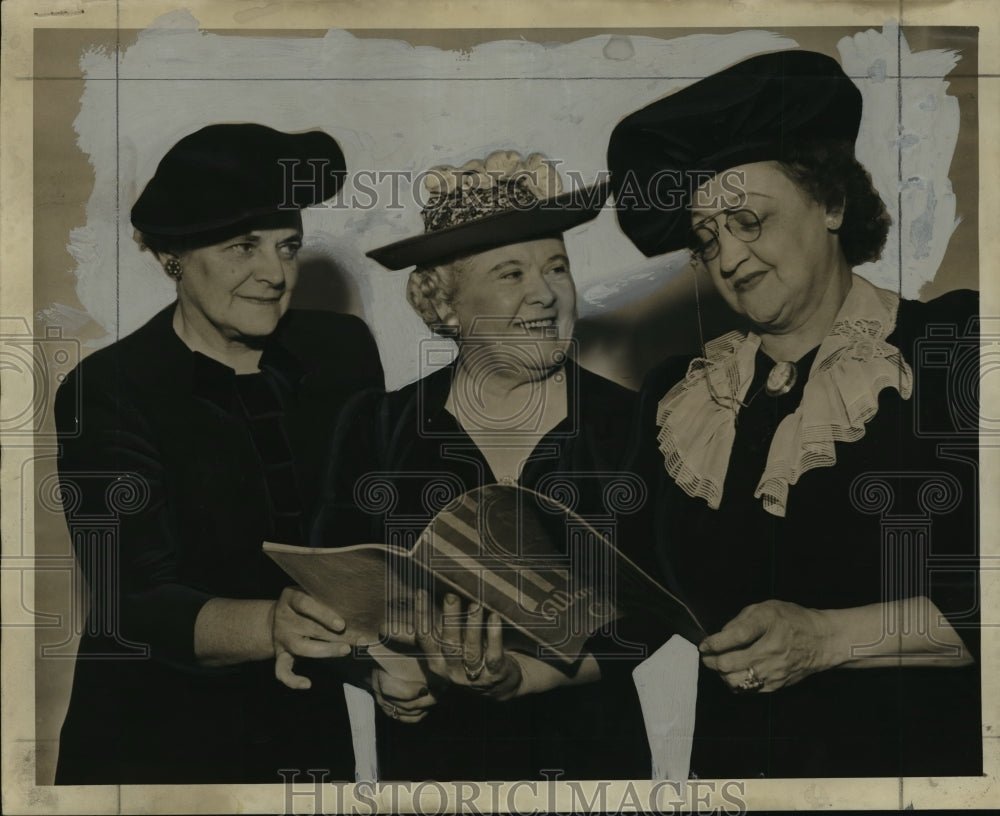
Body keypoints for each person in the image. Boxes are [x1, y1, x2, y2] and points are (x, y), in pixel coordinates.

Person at [607, 49, 981, 778]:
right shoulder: (681, 398)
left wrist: (827, 639)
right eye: (707, 237)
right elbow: (628, 603)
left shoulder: (950, 349)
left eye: (748, 220)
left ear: (831, 204)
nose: (728, 258)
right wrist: (507, 663)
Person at [54, 123, 386, 784]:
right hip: (151, 738)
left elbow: (371, 526)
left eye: (287, 246)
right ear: (172, 257)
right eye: (242, 247)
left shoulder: (339, 352)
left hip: (302, 726)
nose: (275, 273)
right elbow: (134, 600)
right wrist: (273, 627)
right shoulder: (110, 389)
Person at [312, 151, 655, 780]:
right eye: (510, 273)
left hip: (587, 764)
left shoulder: (632, 424)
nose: (545, 293)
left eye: (557, 267)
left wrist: (529, 675)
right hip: (434, 764)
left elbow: (654, 611)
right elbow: (332, 589)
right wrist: (375, 672)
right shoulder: (379, 426)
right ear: (445, 304)